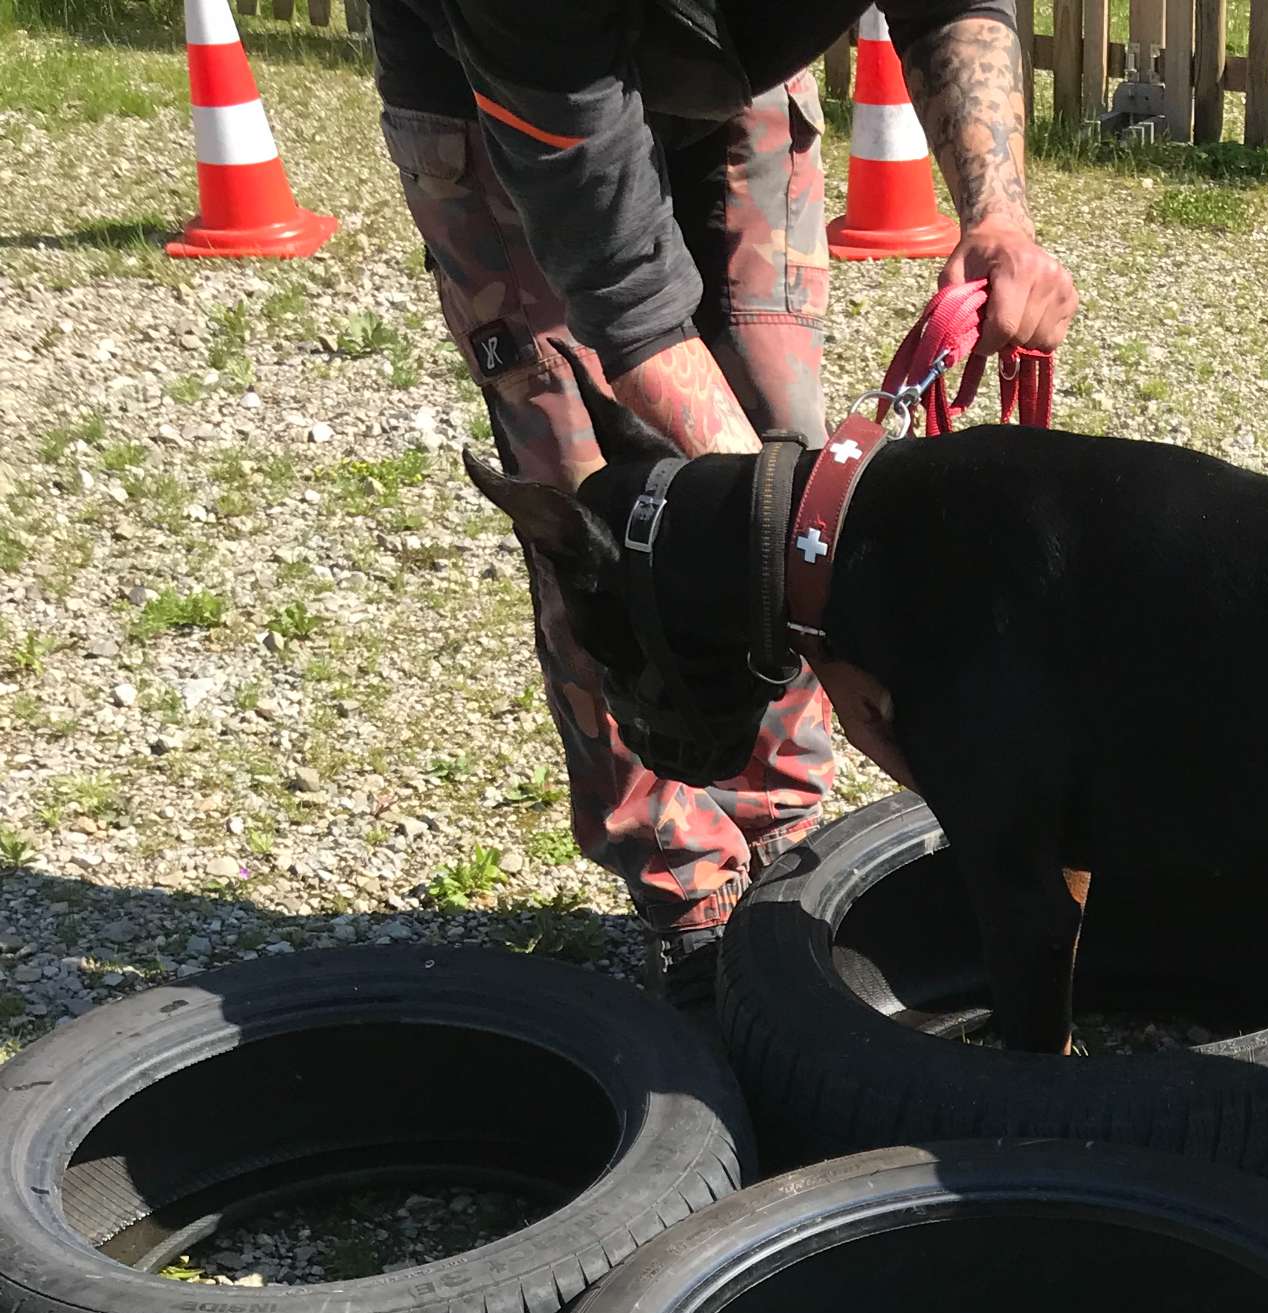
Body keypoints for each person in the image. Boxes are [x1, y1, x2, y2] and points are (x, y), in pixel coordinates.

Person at [368, 0, 1076, 1006]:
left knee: (782, 434)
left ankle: (787, 840)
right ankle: (687, 889)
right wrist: (810, 589)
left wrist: (996, 216)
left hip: (739, 81)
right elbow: (626, 301)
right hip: (516, 100)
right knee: (608, 526)